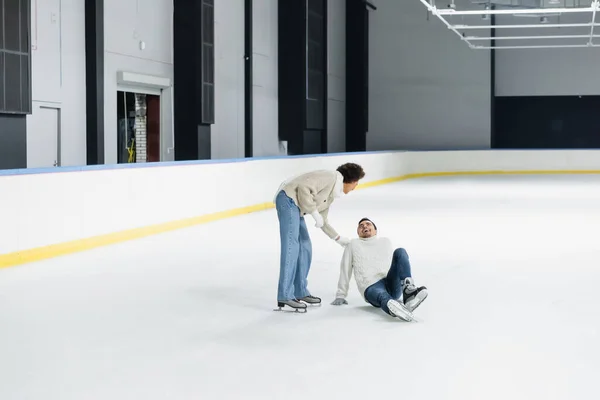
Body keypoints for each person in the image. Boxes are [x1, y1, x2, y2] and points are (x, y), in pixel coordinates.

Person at [273, 163, 366, 313]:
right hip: (288, 200)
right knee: (292, 246)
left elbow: (322, 220)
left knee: (305, 247)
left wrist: (337, 238)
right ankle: (285, 294)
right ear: (351, 180)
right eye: (356, 183)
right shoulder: (329, 177)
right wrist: (313, 212)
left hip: (297, 207)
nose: (355, 187)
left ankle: (300, 290)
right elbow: (303, 187)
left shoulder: (331, 193)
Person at [331, 218, 428, 321]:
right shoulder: (352, 244)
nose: (364, 226)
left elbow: (396, 265)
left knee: (400, 252)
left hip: (391, 282)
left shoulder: (385, 241)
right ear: (358, 232)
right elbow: (345, 269)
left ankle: (409, 292)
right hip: (371, 285)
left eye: (368, 224)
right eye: (361, 226)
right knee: (383, 296)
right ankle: (394, 308)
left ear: (375, 230)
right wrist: (341, 295)